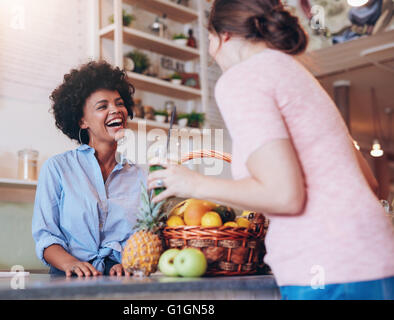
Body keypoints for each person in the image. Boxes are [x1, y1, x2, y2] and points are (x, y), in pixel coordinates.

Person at [148, 0, 394, 299]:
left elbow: (285, 196)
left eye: (209, 40)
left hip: (327, 267)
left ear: (223, 35)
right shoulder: (298, 74)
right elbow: (369, 183)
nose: (212, 54)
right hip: (376, 258)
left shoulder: (242, 78)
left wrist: (193, 182)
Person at [32, 61, 145, 277]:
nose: (116, 110)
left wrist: (128, 263)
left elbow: (143, 237)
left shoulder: (140, 176)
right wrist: (71, 264)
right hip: (68, 281)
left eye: (119, 103)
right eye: (102, 106)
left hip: (120, 284)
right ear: (82, 121)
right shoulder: (57, 168)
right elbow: (46, 237)